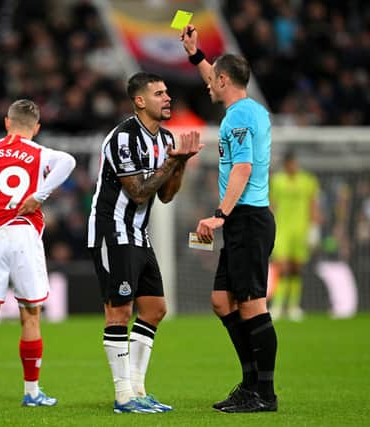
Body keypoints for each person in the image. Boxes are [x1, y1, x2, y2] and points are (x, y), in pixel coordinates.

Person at [87, 72, 202, 414]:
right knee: (119, 311)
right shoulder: (123, 138)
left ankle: (137, 389)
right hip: (113, 232)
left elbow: (166, 196)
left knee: (154, 309)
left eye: (167, 93)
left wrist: (179, 164)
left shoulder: (165, 138)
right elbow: (137, 193)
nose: (167, 98)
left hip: (138, 233)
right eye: (159, 94)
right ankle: (123, 395)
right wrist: (171, 161)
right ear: (140, 101)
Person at [183, 24, 279, 413]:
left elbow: (241, 168)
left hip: (247, 219)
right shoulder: (249, 107)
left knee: (253, 303)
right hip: (245, 220)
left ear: (225, 81)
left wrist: (220, 214)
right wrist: (195, 55)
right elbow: (216, 77)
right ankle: (250, 383)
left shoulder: (237, 119)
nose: (208, 85)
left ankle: (264, 393)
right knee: (222, 301)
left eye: (213, 80)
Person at [0, 99, 76, 410]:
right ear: (36, 128)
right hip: (25, 235)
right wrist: (38, 196)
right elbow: (68, 162)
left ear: (6, 122)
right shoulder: (40, 152)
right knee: (30, 314)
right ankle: (32, 391)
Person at [269, 150, 320, 321]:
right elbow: (272, 204)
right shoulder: (277, 180)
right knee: (282, 267)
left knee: (296, 268)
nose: (293, 166)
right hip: (282, 229)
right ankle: (277, 305)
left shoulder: (307, 181)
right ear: (285, 164)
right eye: (290, 163)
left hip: (301, 230)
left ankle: (293, 306)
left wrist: (314, 228)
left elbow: (313, 204)